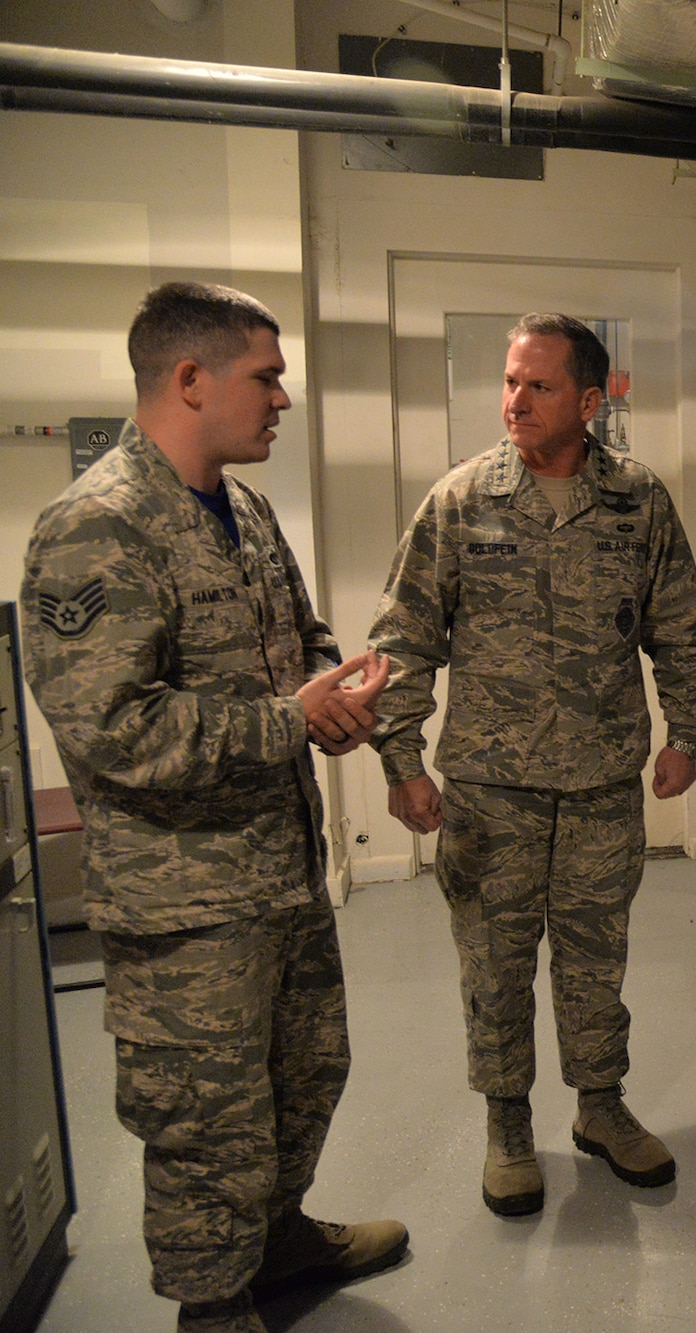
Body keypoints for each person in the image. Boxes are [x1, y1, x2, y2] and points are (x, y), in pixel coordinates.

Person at [19, 282, 409, 1333]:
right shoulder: (96, 528)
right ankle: (210, 1306)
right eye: (266, 377)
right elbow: (109, 728)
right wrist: (290, 721)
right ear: (189, 379)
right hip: (184, 905)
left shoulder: (242, 510)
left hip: (279, 872)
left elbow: (303, 630)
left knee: (302, 1069)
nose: (283, 399)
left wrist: (334, 690)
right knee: (204, 1118)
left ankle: (277, 1241)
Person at [369, 312, 696, 1217]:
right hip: (491, 789)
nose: (513, 400)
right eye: (509, 380)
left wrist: (685, 733)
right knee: (494, 962)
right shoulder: (460, 502)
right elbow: (404, 638)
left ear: (592, 401)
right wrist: (401, 759)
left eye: (538, 385)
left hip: (604, 784)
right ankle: (507, 1125)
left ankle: (600, 1108)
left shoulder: (639, 501)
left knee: (595, 958)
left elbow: (679, 626)